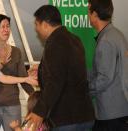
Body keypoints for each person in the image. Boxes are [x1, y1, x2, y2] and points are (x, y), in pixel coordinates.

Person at [26, 5, 95, 131]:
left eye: (37, 24)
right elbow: (67, 69)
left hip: (67, 118)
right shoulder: (75, 39)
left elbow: (55, 81)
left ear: (45, 24)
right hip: (85, 115)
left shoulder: (55, 43)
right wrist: (42, 68)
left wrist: (39, 111)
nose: (36, 29)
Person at [0, 14, 35, 131]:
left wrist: (35, 97)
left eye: (8, 26)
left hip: (12, 104)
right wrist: (0, 65)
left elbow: (23, 78)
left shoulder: (16, 51)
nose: (6, 30)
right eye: (2, 27)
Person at [88, 0, 128, 130]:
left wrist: (84, 90)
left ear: (94, 14)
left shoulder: (106, 41)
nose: (88, 15)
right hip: (120, 110)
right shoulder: (118, 35)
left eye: (88, 11)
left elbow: (104, 78)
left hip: (109, 114)